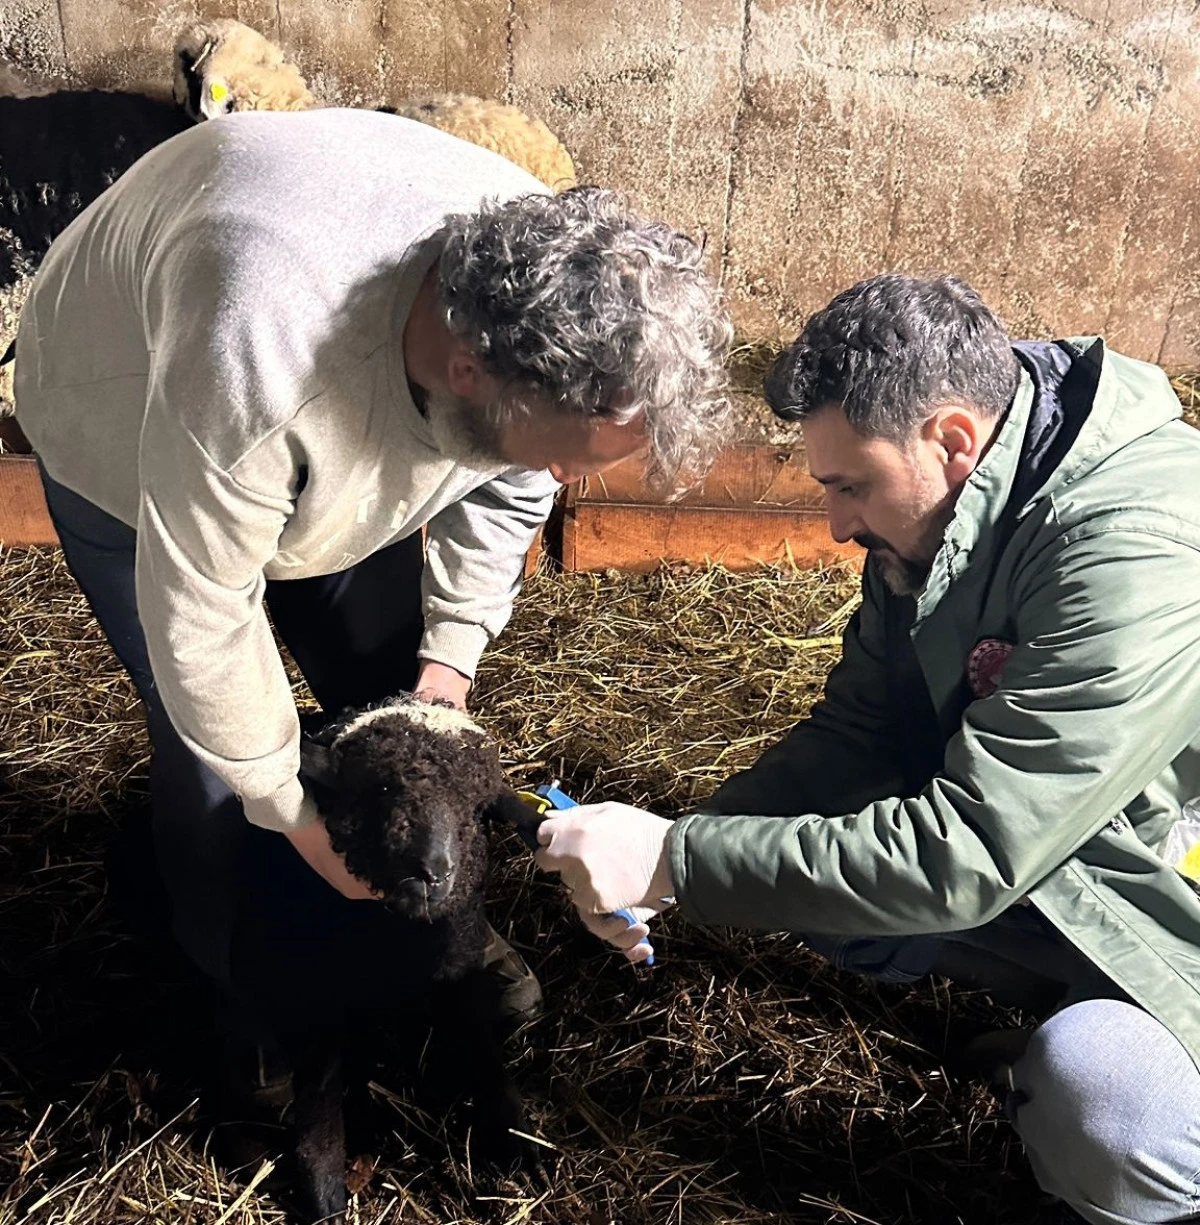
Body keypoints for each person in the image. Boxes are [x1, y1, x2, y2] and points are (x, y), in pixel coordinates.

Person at [13, 107, 732, 1101]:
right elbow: (206, 617)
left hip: (342, 430)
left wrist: (452, 658)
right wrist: (297, 819)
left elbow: (521, 474)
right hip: (126, 430)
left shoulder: (541, 291)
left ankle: (448, 940)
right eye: (568, 449)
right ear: (469, 375)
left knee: (401, 696)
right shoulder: (263, 362)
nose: (573, 477)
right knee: (211, 754)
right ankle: (244, 993)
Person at [534, 273, 1200, 1225]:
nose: (837, 524)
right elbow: (859, 732)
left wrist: (678, 862)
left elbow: (965, 855)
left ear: (953, 440)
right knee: (816, 867)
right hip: (1100, 854)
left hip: (1174, 905)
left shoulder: (1134, 553)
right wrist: (682, 843)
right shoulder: (949, 521)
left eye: (850, 486)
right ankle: (1068, 995)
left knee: (1100, 1096)